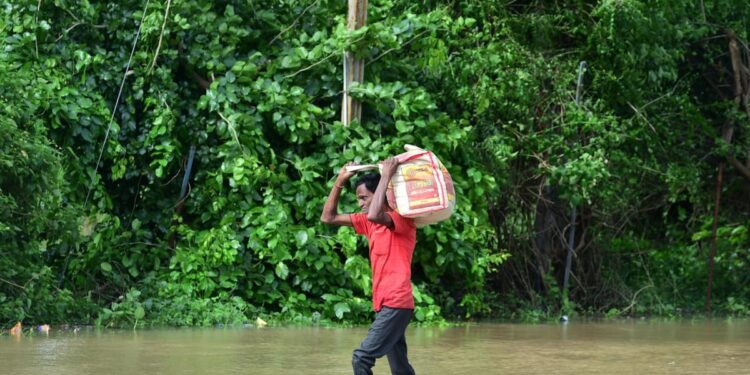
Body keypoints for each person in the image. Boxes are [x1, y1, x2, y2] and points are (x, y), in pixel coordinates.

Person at [320, 158, 417, 375]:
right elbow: (328, 217)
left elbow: (375, 213)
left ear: (381, 194)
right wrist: (340, 180)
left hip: (396, 303)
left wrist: (386, 176)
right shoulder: (368, 223)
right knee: (400, 367)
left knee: (361, 358)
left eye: (364, 197)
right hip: (386, 304)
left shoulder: (401, 221)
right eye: (358, 199)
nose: (360, 204)